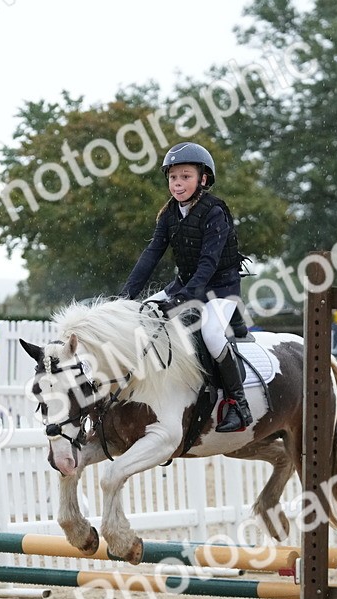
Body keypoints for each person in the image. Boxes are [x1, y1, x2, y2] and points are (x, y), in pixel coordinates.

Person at [119, 141, 252, 432]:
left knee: (213, 335)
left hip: (221, 288)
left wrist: (184, 299)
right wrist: (126, 296)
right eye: (173, 177)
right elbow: (152, 254)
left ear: (203, 179)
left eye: (185, 176)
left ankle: (238, 404)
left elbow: (208, 262)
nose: (177, 184)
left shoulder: (215, 211)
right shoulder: (168, 215)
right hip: (185, 284)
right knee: (139, 318)